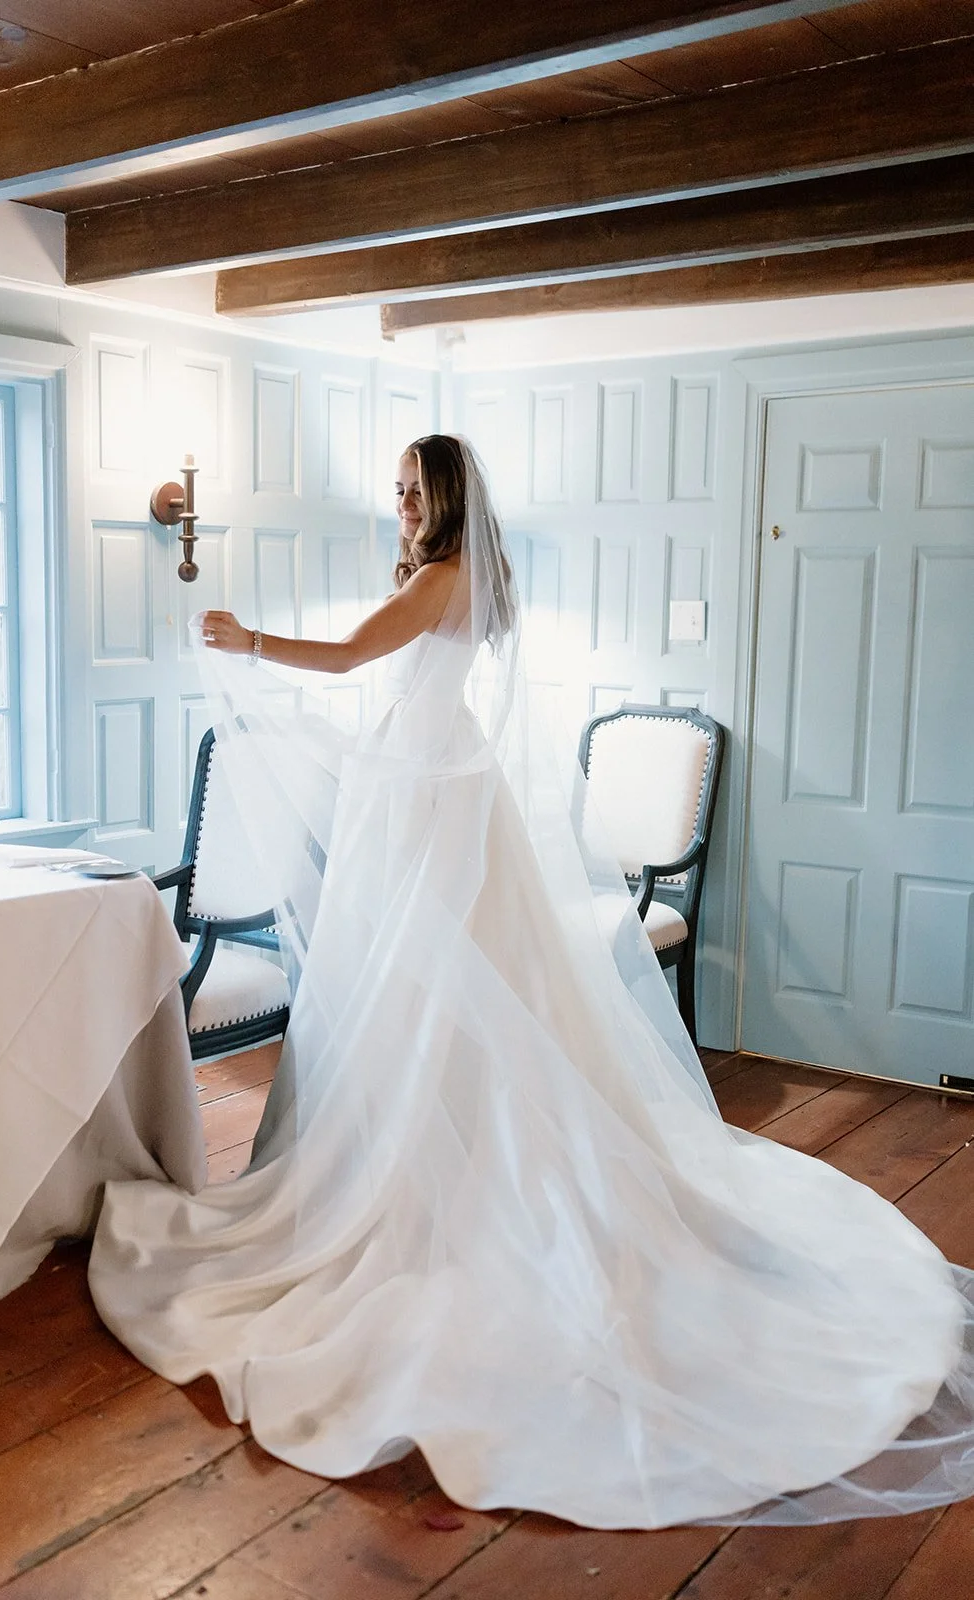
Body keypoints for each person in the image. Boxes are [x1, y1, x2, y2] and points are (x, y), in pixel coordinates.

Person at [89, 435, 974, 1530]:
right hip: (426, 791)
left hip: (431, 807)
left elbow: (349, 658)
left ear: (448, 499)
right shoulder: (444, 581)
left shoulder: (444, 580)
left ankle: (451, 1188)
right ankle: (401, 1154)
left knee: (439, 996)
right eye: (398, 489)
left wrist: (243, 638)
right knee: (417, 1004)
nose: (399, 504)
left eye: (413, 489)